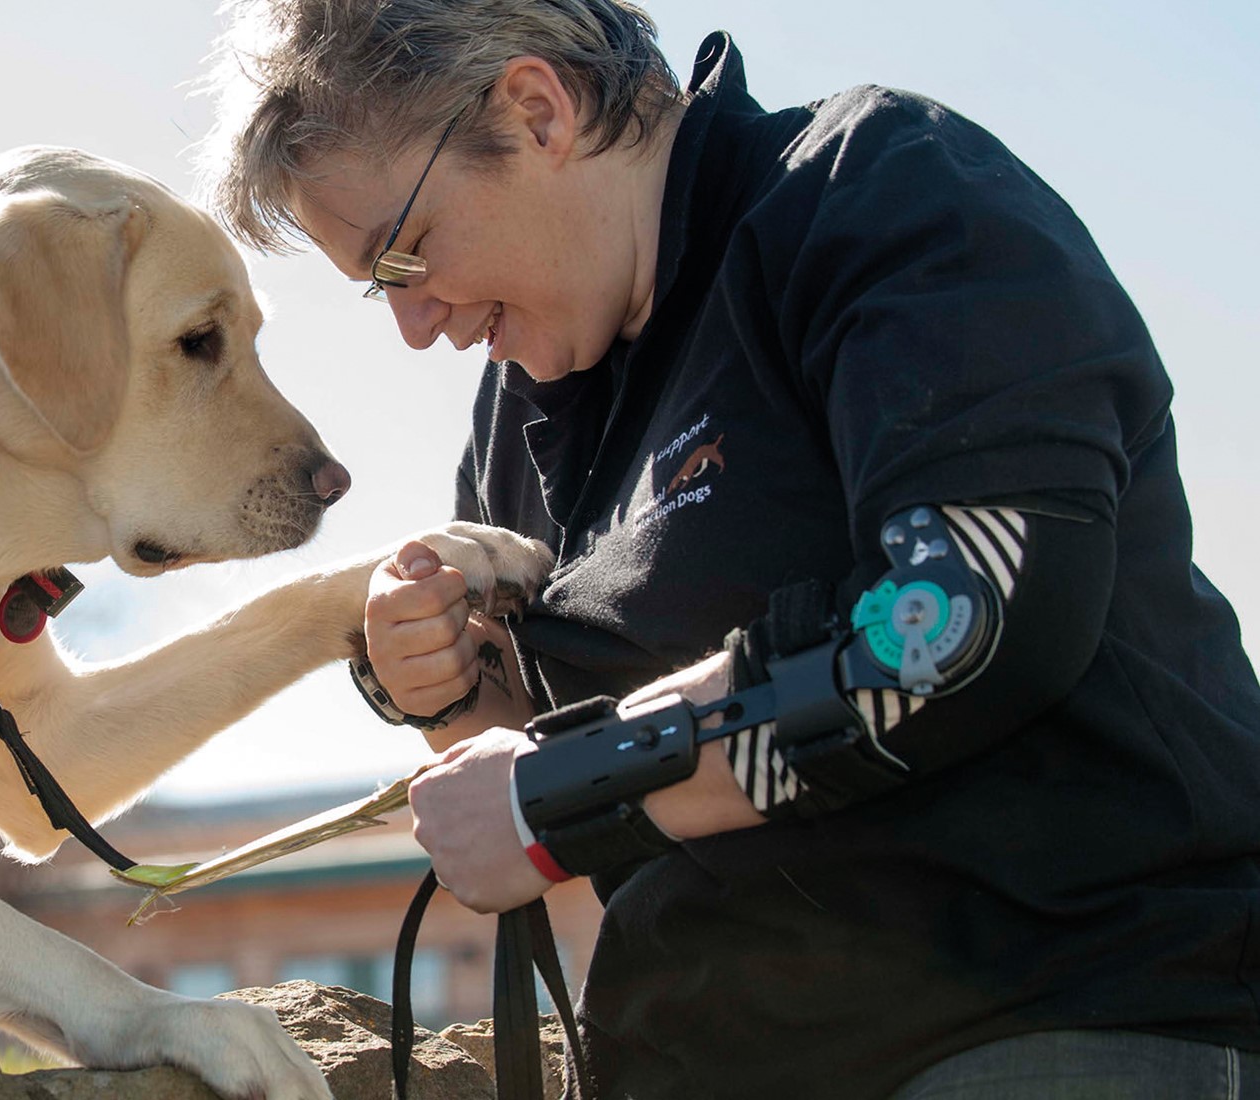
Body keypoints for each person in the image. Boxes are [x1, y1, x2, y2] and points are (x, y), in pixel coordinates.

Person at [197, 2, 1260, 1097]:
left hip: (1055, 1011)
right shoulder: (523, 409)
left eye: (402, 254)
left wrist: (567, 785)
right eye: (379, 288)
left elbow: (961, 615)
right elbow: (550, 773)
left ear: (535, 110)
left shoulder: (876, 190)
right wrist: (448, 690)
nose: (415, 327)